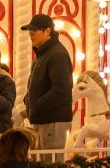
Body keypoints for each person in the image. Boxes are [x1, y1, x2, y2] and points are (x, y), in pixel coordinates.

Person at [21, 15, 74, 153]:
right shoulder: (44, 53)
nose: (31, 33)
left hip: (52, 119)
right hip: (45, 118)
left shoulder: (57, 54)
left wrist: (36, 104)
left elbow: (61, 90)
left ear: (48, 31)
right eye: (29, 30)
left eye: (35, 30)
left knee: (52, 165)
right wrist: (28, 101)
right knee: (45, 164)